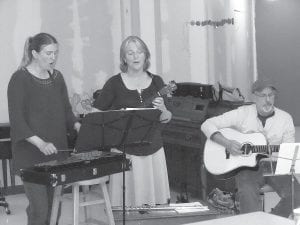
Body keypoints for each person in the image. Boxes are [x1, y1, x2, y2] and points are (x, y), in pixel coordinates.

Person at [7, 33, 81, 225]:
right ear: (34, 53)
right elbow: (17, 120)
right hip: (30, 154)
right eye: (48, 53)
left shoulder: (57, 77)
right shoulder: (19, 79)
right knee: (40, 209)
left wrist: (77, 124)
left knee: (54, 207)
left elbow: (66, 110)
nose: (53, 57)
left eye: (55, 53)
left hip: (56, 154)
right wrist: (40, 143)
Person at [201, 77, 300, 217]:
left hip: (275, 165)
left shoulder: (285, 118)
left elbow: (288, 150)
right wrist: (227, 143)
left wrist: (279, 155)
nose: (268, 100)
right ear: (254, 96)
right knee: (247, 194)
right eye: (263, 95)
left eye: (271, 95)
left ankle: (271, 220)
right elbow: (207, 125)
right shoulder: (242, 113)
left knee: (297, 195)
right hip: (247, 169)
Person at [93, 35, 172, 206]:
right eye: (130, 53)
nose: (136, 57)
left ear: (146, 56)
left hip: (153, 149)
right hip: (124, 150)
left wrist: (163, 109)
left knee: (155, 204)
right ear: (124, 58)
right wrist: (116, 116)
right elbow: (95, 114)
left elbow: (166, 118)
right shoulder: (114, 83)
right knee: (127, 204)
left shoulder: (157, 81)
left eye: (139, 52)